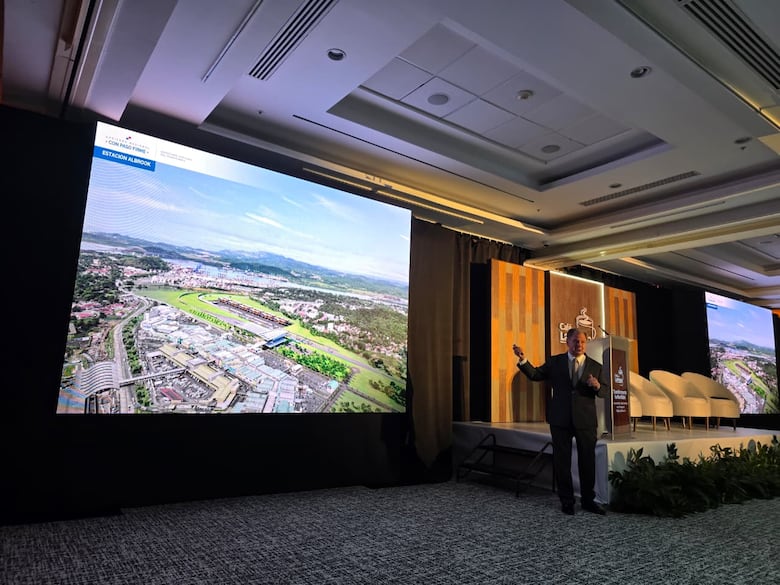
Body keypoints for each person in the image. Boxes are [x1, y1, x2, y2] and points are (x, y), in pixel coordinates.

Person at [512, 328, 608, 516]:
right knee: (562, 462)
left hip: (585, 420)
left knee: (587, 461)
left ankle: (589, 500)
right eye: (575, 341)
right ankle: (567, 501)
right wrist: (523, 359)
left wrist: (597, 385)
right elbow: (535, 375)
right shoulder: (555, 362)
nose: (578, 345)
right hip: (560, 418)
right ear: (567, 342)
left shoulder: (595, 365)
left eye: (582, 341)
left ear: (585, 343)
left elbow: (604, 390)